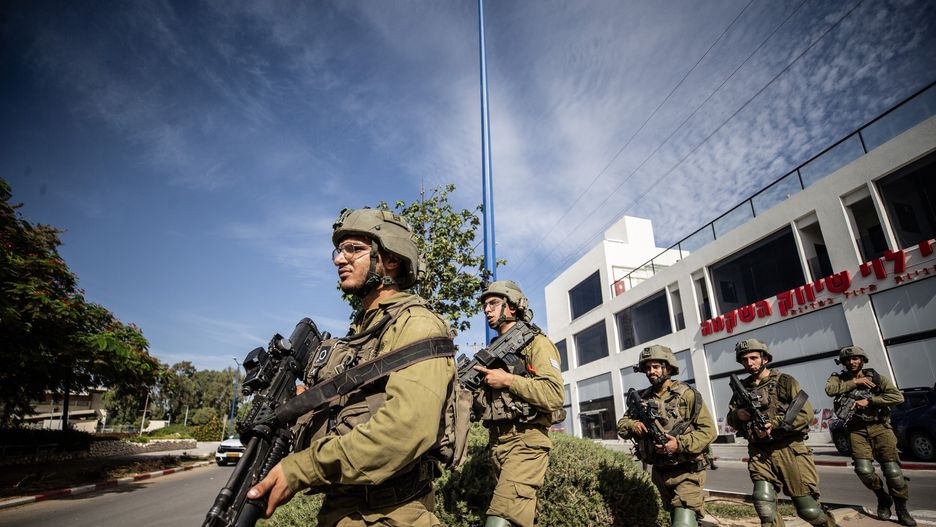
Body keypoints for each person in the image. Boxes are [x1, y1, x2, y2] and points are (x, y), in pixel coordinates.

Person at [246, 207, 457, 526]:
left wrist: (301, 469)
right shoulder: (363, 333)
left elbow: (407, 430)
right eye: (339, 250)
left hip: (391, 515)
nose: (338, 259)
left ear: (390, 260)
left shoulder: (417, 325)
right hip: (343, 510)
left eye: (354, 249)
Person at [472, 280, 564, 527]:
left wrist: (508, 380)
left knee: (499, 520)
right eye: (484, 305)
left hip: (526, 442)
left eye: (493, 303)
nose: (486, 310)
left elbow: (554, 394)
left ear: (512, 306)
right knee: (520, 520)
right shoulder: (491, 353)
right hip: (497, 444)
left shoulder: (537, 343)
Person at [726, 338, 836, 527]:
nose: (749, 363)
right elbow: (730, 418)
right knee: (764, 504)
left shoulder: (785, 382)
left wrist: (774, 424)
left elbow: (804, 413)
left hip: (789, 449)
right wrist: (739, 415)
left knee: (808, 510)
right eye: (744, 360)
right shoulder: (741, 389)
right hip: (760, 453)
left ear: (765, 358)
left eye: (753, 357)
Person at [617, 345, 716, 527]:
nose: (650, 372)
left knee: (682, 523)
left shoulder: (687, 395)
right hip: (661, 473)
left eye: (655, 367)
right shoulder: (643, 398)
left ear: (668, 368)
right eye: (647, 368)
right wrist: (634, 425)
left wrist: (678, 444)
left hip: (688, 470)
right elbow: (621, 425)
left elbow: (709, 431)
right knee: (677, 518)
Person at [825, 346, 916, 526]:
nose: (852, 362)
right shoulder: (839, 379)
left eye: (856, 359)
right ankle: (882, 497)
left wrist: (870, 400)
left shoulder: (876, 378)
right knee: (864, 470)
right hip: (856, 430)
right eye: (848, 360)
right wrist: (855, 383)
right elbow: (830, 389)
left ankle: (902, 509)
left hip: (880, 427)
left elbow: (897, 397)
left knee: (893, 472)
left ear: (862, 360)